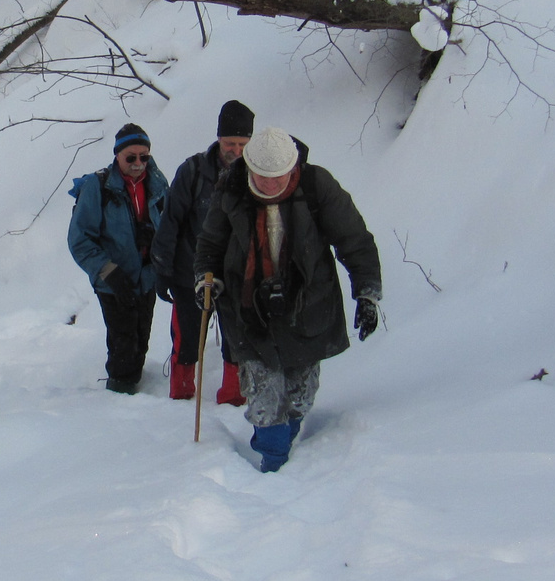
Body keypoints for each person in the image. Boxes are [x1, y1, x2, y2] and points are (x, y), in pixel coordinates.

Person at [193, 126, 381, 471]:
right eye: (262, 177)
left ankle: (288, 437)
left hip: (307, 305)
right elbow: (211, 243)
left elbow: (354, 239)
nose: (269, 185)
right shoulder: (231, 188)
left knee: (299, 393)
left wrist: (367, 293)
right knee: (264, 394)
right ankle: (273, 460)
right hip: (248, 309)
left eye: (277, 177)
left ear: (292, 168)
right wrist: (206, 279)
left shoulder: (316, 186)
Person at [152, 100, 254, 404]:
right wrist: (162, 269)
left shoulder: (257, 173)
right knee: (187, 337)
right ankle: (182, 393)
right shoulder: (194, 171)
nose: (235, 150)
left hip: (237, 273)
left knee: (237, 337)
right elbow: (170, 221)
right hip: (190, 271)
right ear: (218, 138)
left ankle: (233, 397)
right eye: (229, 143)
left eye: (242, 143)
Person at [68, 123, 169, 393]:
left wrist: (159, 251)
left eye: (144, 156)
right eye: (131, 157)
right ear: (117, 156)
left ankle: (133, 386)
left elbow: (171, 227)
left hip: (147, 277)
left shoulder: (158, 183)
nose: (138, 163)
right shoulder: (97, 186)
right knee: (123, 343)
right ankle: (119, 400)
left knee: (141, 340)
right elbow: (79, 240)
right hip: (113, 281)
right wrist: (108, 271)